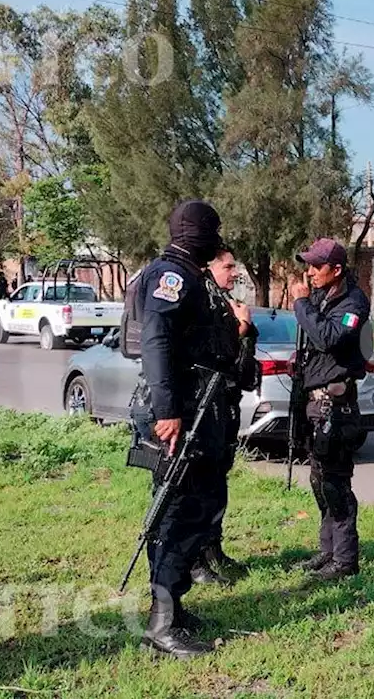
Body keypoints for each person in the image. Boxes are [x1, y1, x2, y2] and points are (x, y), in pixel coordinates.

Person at [132, 199, 242, 658]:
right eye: (211, 232)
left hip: (203, 408)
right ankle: (162, 624)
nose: (217, 241)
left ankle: (173, 606)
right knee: (179, 511)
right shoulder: (170, 276)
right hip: (182, 411)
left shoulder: (193, 275)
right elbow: (156, 341)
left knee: (202, 505)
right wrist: (167, 411)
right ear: (195, 234)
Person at [287, 237, 372, 582]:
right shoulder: (324, 297)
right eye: (307, 265)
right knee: (320, 480)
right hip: (315, 403)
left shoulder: (353, 301)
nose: (309, 273)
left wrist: (301, 304)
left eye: (316, 266)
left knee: (337, 484)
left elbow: (328, 337)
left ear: (336, 269)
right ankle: (329, 552)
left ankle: (346, 560)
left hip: (337, 406)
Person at [189, 246, 260, 586]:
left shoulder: (226, 305)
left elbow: (245, 374)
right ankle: (194, 560)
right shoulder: (204, 303)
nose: (234, 273)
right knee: (197, 490)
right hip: (202, 411)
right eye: (228, 267)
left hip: (224, 409)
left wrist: (246, 330)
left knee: (217, 486)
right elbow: (215, 354)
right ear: (210, 268)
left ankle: (212, 549)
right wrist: (241, 329)